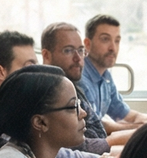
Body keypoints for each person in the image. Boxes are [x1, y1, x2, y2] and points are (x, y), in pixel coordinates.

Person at [0, 29, 110, 158]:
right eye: (30, 67)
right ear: (0, 72)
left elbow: (58, 154)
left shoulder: (23, 108)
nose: (38, 73)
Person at [42, 21, 115, 150]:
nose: (78, 58)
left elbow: (96, 131)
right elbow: (77, 147)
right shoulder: (47, 94)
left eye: (81, 50)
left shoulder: (74, 87)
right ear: (46, 55)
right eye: (68, 51)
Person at [81, 13, 147, 132]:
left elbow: (125, 114)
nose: (113, 48)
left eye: (117, 41)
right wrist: (146, 127)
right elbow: (97, 126)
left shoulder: (106, 76)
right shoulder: (81, 79)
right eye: (105, 39)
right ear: (88, 44)